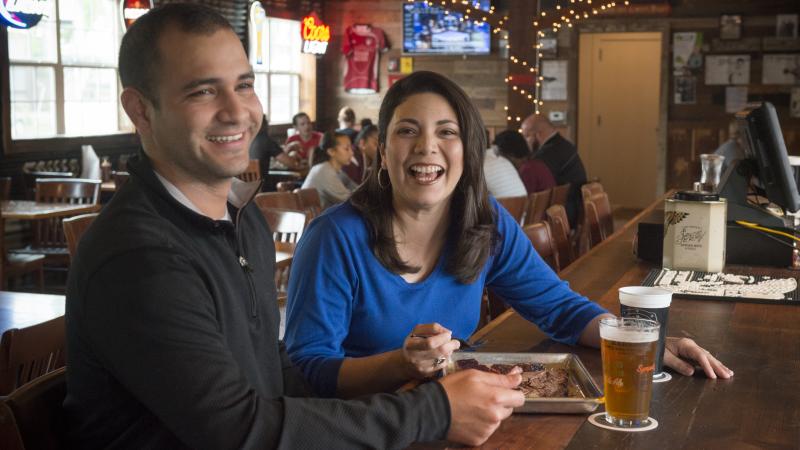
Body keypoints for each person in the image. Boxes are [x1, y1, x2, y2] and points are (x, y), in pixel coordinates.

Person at [64, 5, 526, 449]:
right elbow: (240, 431)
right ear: (141, 110)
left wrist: (405, 376)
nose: (236, 111)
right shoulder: (139, 256)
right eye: (202, 91)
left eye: (244, 85)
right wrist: (432, 411)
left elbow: (281, 376)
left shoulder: (239, 221)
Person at [285, 71, 733, 401]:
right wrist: (400, 364)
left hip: (449, 411)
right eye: (407, 131)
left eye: (448, 132)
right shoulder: (334, 237)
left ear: (469, 151)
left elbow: (557, 307)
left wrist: (638, 337)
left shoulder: (485, 221)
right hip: (363, 425)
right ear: (382, 151)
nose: (426, 148)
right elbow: (309, 369)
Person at [521, 114, 587, 226]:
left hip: (564, 213)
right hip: (572, 207)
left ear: (538, 134)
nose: (526, 142)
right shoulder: (562, 144)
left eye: (527, 136)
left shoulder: (548, 153)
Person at [302, 131, 359, 208]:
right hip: (314, 219)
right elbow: (351, 201)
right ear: (331, 151)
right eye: (346, 149)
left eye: (351, 148)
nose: (352, 153)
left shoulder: (337, 171)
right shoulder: (324, 171)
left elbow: (358, 189)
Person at [493, 129, 556, 194]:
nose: (499, 160)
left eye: (499, 155)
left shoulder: (527, 170)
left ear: (510, 154)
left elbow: (519, 198)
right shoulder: (537, 164)